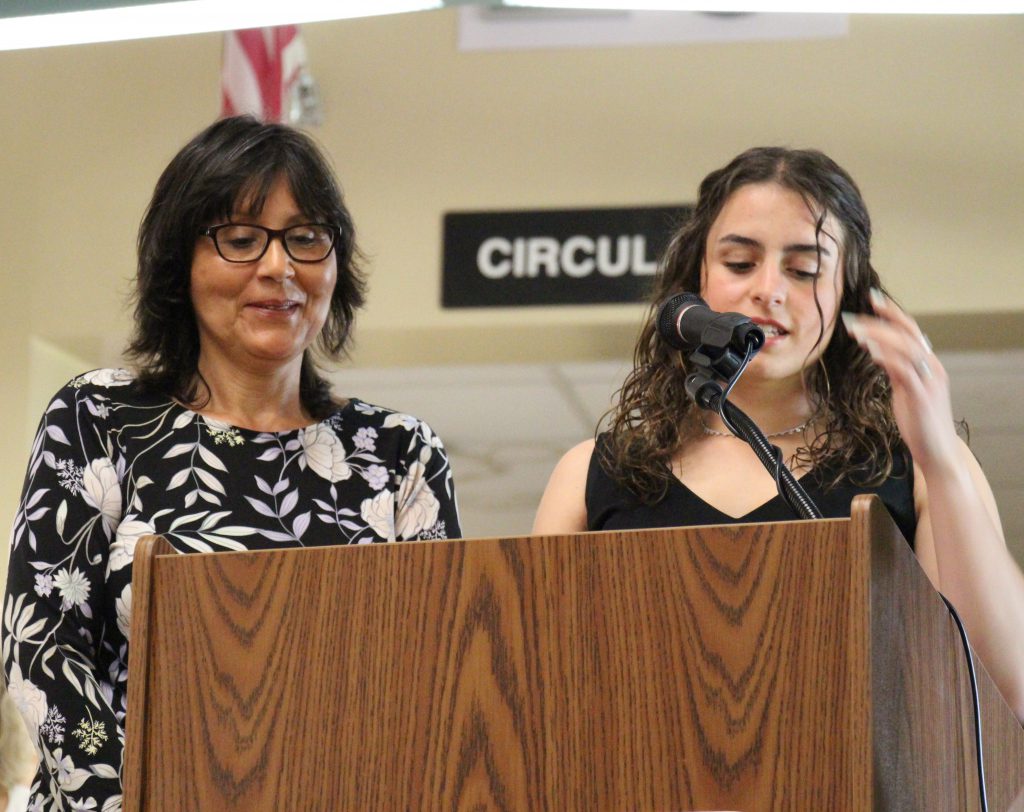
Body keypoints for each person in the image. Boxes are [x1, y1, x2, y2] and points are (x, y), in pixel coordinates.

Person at [2, 115, 461, 810]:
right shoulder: (101, 418)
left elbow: (437, 684)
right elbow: (43, 651)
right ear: (180, 263)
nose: (279, 268)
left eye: (306, 238)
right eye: (241, 240)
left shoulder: (399, 455)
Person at [533, 146, 1024, 724]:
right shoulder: (590, 472)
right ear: (697, 283)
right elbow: (538, 689)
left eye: (804, 269)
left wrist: (939, 458)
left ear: (848, 291)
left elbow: (1005, 690)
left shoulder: (919, 466)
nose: (768, 289)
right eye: (740, 264)